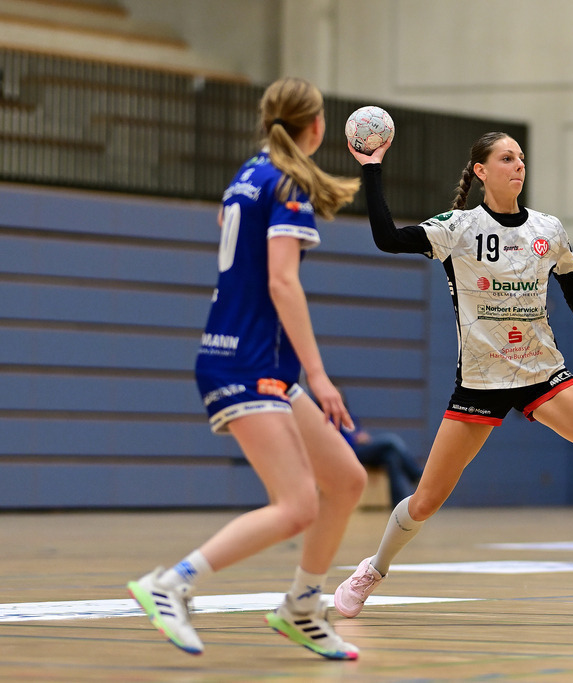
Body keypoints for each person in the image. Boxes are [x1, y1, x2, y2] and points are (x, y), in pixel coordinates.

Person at [333, 131, 573, 620]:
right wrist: (372, 166)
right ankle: (372, 571)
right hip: (480, 383)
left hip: (542, 374)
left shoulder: (548, 230)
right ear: (482, 171)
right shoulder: (457, 228)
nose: (518, 166)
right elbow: (386, 237)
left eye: (522, 158)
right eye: (507, 158)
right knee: (424, 501)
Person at [127, 77, 369, 659]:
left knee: (347, 479)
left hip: (258, 360)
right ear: (316, 128)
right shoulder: (285, 183)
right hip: (247, 359)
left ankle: (303, 607)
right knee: (297, 505)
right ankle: (171, 584)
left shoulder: (248, 175)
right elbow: (281, 281)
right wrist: (319, 373)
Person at [341, 405, 424, 508]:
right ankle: (415, 474)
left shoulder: (351, 417)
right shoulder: (329, 417)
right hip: (350, 452)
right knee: (391, 441)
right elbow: (335, 439)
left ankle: (397, 505)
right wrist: (353, 439)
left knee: (391, 457)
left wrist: (363, 437)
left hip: (363, 448)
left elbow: (358, 431)